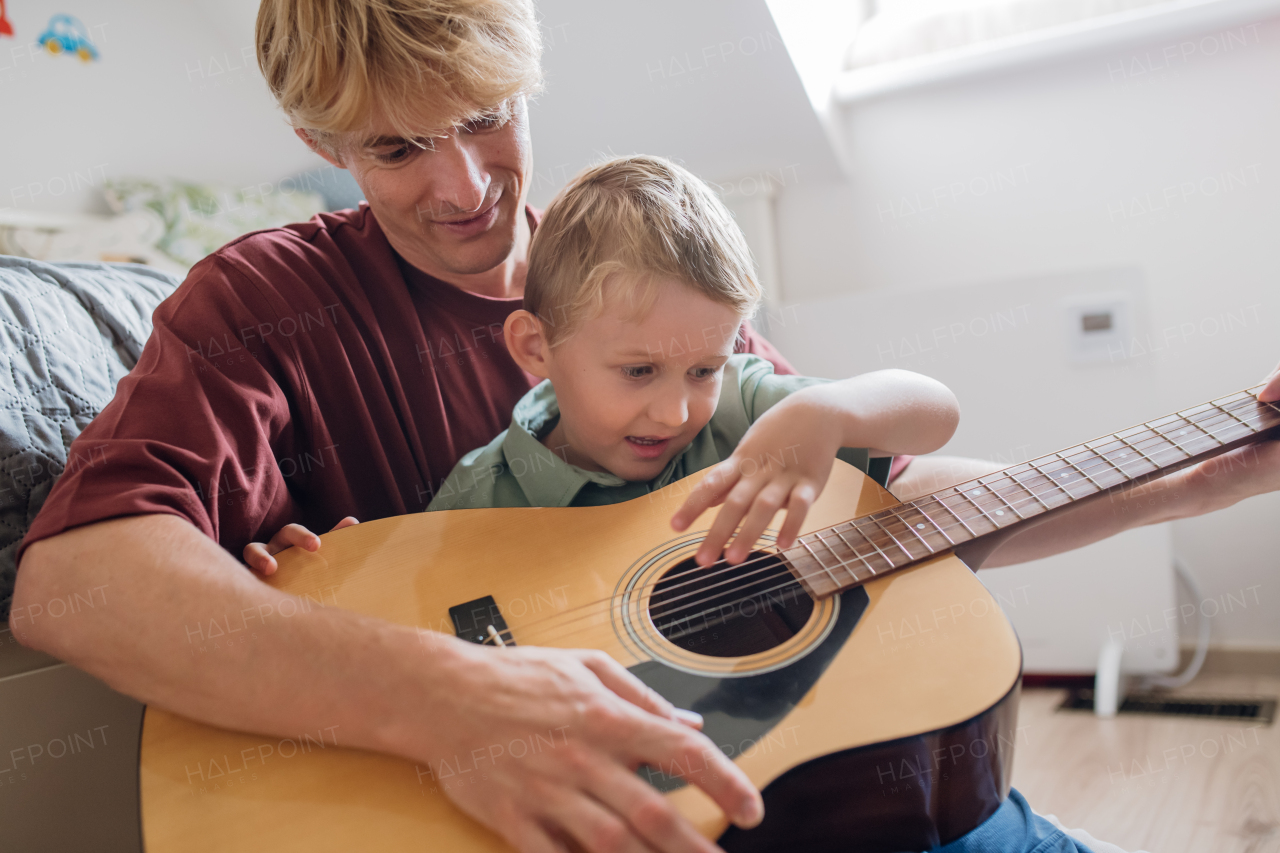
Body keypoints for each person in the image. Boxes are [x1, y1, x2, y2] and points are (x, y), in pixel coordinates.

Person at [10, 1, 1280, 852]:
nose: (461, 188)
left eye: (484, 119)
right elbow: (77, 589)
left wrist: (1193, 481)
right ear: (313, 139)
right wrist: (454, 704)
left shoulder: (629, 258)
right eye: (395, 148)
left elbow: (866, 505)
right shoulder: (263, 298)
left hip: (767, 782)